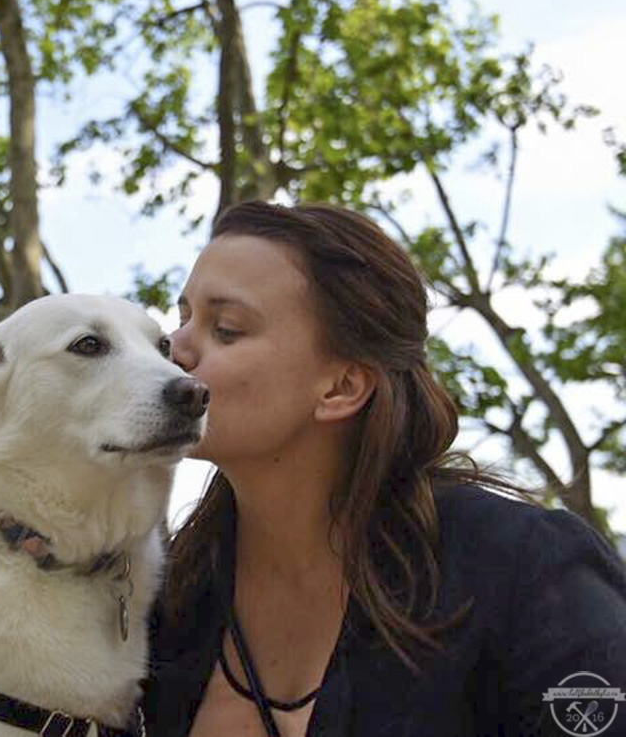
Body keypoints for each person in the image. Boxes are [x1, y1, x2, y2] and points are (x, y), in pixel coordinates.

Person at [144, 200, 626, 737]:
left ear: (342, 387)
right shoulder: (165, 602)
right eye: (184, 317)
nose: (173, 348)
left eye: (226, 328)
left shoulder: (526, 571)